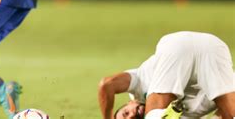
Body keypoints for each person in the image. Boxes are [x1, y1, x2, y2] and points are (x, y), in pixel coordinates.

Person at [98, 31, 235, 119]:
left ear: (131, 102)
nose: (132, 116)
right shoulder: (197, 114)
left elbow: (107, 84)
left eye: (126, 113)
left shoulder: (140, 83)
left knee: (153, 116)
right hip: (214, 48)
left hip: (175, 47)